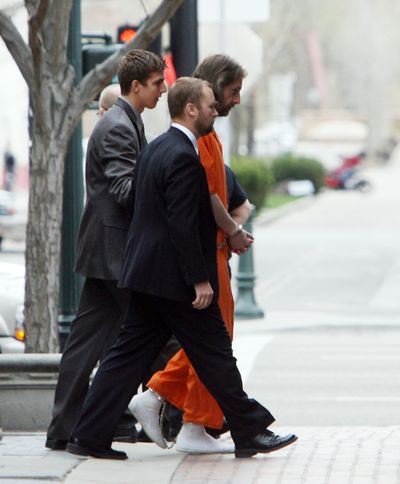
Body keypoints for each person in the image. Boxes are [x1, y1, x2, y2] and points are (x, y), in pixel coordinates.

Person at [66, 77, 297, 460]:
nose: (214, 111)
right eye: (209, 105)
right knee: (216, 354)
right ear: (191, 109)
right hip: (174, 282)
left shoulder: (157, 148)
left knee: (126, 358)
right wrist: (200, 280)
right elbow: (182, 224)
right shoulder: (183, 157)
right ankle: (250, 429)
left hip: (147, 275)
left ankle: (87, 435)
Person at [45, 50, 167, 451]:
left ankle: (68, 430)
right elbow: (124, 189)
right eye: (156, 83)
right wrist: (166, 190)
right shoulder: (118, 126)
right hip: (114, 253)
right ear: (136, 85)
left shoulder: (125, 121)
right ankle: (110, 425)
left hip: (107, 251)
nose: (163, 89)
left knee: (86, 344)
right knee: (146, 337)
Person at [143, 55, 253, 454]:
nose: (237, 100)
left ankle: (167, 404)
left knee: (210, 345)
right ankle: (191, 422)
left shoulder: (207, 134)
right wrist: (234, 230)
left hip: (216, 252)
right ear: (214, 89)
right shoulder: (200, 136)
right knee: (214, 345)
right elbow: (206, 198)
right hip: (211, 253)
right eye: (233, 91)